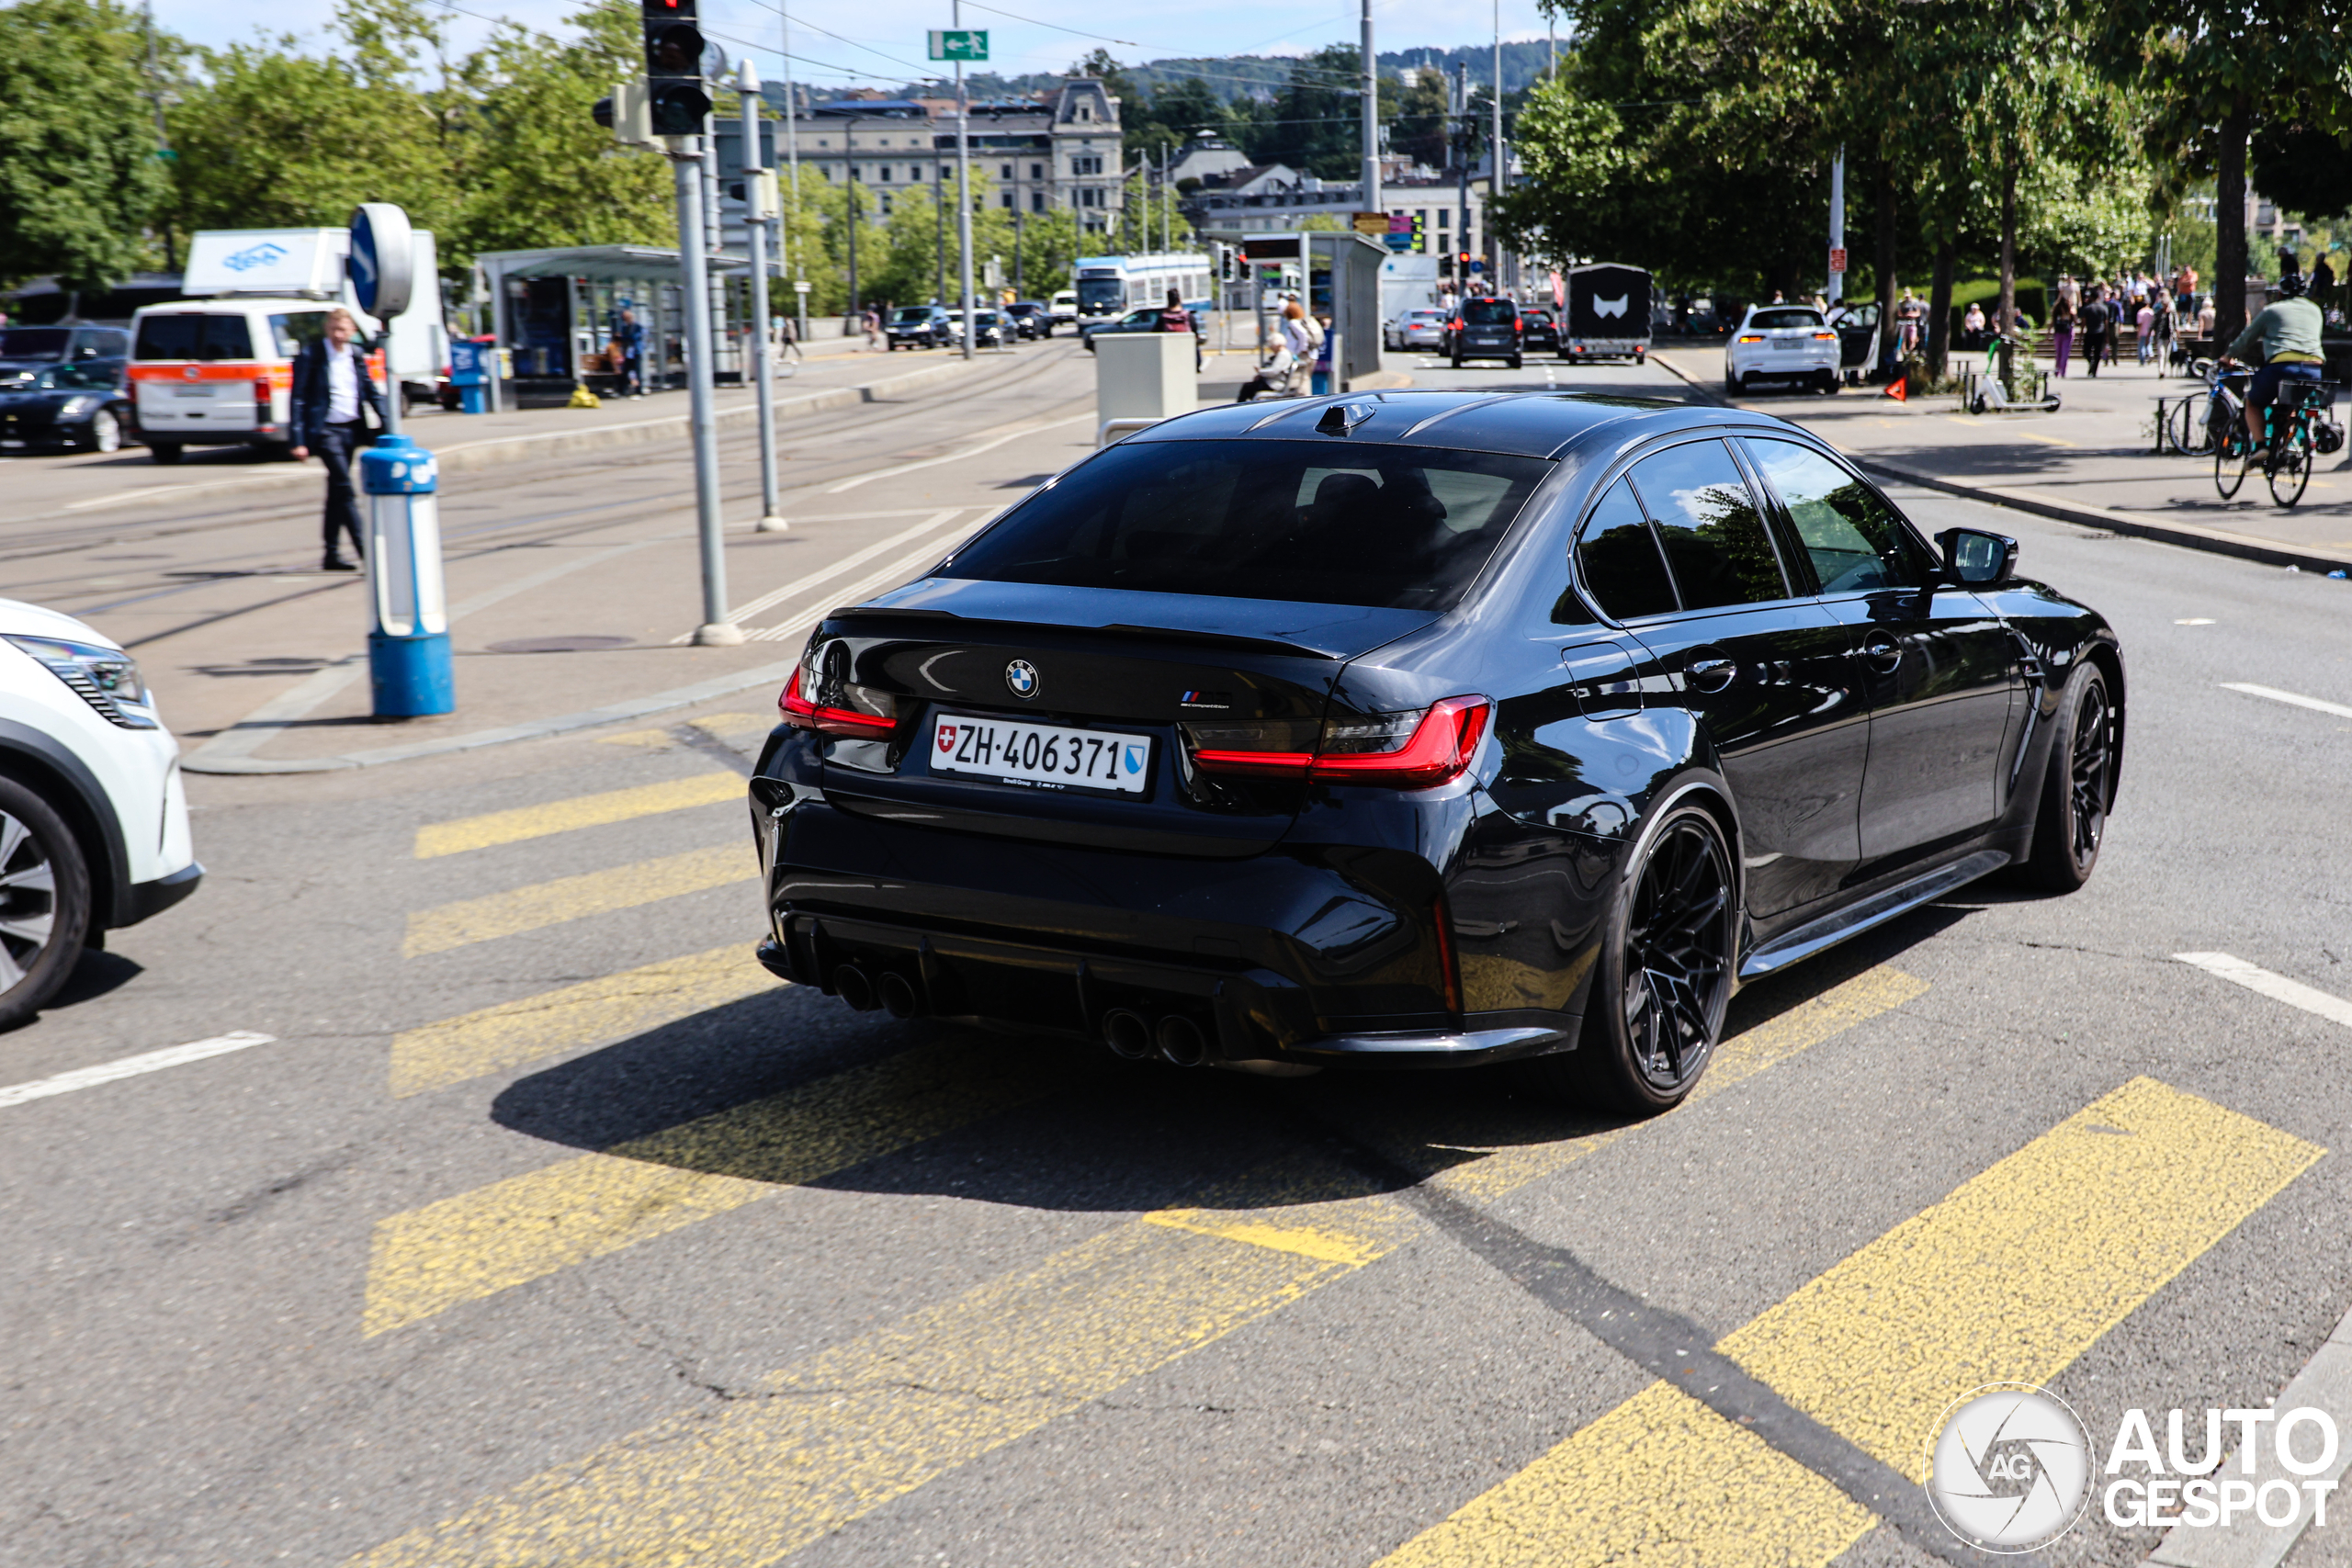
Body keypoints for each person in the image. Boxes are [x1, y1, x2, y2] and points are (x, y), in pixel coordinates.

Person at [288, 307, 383, 573]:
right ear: (327, 330)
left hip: (350, 429)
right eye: (334, 330)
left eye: (343, 330)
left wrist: (388, 426)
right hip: (325, 431)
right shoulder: (312, 355)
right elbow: (298, 398)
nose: (338, 336)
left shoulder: (354, 355)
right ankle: (369, 556)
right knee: (345, 487)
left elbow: (370, 391)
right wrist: (298, 439)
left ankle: (331, 554)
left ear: (352, 331)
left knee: (336, 493)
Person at [2224, 267, 2326, 456]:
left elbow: (2248, 337)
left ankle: (2261, 446)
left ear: (2280, 293)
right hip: (2314, 368)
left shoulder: (2271, 311)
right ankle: (2284, 449)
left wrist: (2228, 356)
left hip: (2282, 367)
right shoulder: (2315, 310)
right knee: (2291, 405)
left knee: (2253, 404)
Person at [2078, 287, 2110, 378]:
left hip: (2090, 332)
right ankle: (2094, 370)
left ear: (2091, 297)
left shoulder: (2087, 308)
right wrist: (2107, 335)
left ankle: (2091, 364)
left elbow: (2083, 323)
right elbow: (2106, 323)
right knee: (2097, 352)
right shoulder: (2104, 308)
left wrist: (2081, 335)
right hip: (2100, 332)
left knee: (2086, 352)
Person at [612, 308, 645, 398]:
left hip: (636, 352)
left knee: (638, 372)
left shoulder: (638, 326)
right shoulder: (624, 327)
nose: (626, 319)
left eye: (627, 317)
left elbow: (635, 337)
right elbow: (623, 338)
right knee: (624, 371)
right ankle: (623, 390)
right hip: (627, 353)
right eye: (625, 318)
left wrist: (625, 337)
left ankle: (639, 390)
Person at [2050, 291, 2076, 377]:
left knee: (2061, 353)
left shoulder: (2069, 311)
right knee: (2063, 353)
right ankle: (2060, 371)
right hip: (2064, 332)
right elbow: (2076, 321)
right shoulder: (2057, 311)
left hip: (2063, 332)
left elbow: (2075, 320)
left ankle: (2059, 370)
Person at [2135, 293, 2156, 364]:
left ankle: (2142, 359)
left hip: (2142, 331)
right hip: (2150, 331)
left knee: (2141, 345)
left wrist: (2138, 332)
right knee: (2149, 344)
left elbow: (2140, 324)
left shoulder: (2140, 312)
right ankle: (2150, 354)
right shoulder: (2151, 312)